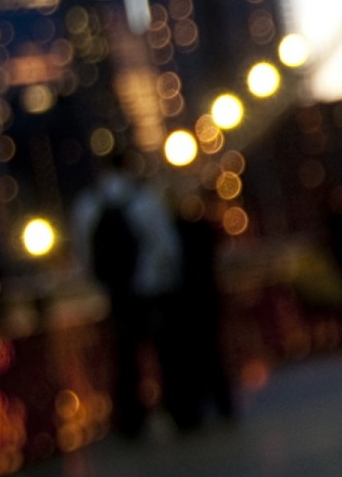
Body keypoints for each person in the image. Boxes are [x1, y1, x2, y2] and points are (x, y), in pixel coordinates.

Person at [73, 154, 181, 438]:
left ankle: (130, 420)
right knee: (166, 354)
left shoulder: (88, 205)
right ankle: (179, 410)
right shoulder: (145, 200)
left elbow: (84, 254)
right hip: (152, 289)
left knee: (125, 359)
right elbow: (166, 246)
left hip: (117, 294)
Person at [165, 199, 235, 429]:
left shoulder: (174, 236)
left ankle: (195, 409)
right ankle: (222, 403)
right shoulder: (205, 233)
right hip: (207, 299)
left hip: (185, 304)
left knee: (190, 355)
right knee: (212, 351)